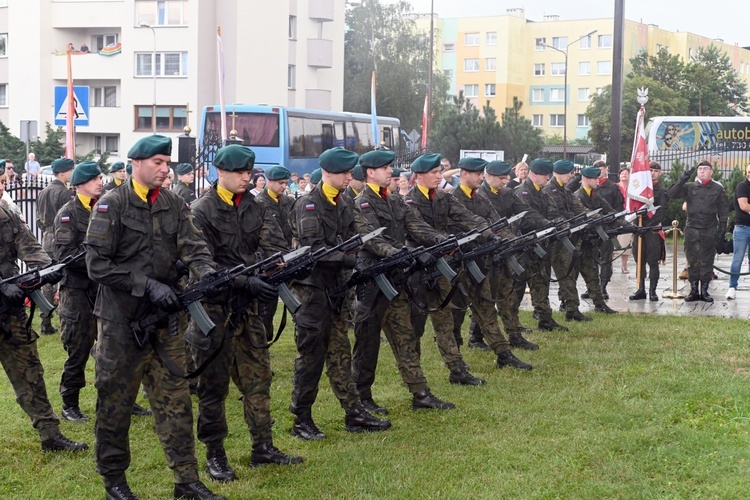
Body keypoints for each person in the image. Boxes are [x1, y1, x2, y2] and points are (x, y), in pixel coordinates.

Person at [84, 135, 224, 500]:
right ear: (136, 163)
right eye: (159, 162)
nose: (166, 169)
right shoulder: (111, 205)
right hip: (120, 324)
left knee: (177, 402)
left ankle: (186, 481)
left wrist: (206, 272)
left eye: (168, 163)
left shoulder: (174, 202)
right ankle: (114, 481)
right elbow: (96, 265)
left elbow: (194, 247)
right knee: (114, 404)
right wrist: (145, 285)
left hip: (165, 323)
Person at [189, 146, 301, 482]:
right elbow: (202, 265)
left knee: (258, 379)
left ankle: (262, 446)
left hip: (248, 311)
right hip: (215, 311)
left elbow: (272, 244)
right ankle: (215, 454)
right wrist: (245, 279)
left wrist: (280, 266)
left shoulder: (254, 205)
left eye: (249, 172)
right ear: (219, 171)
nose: (245, 178)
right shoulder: (201, 211)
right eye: (238, 172)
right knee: (213, 386)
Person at [288, 147, 391, 440]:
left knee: (340, 352)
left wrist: (383, 251)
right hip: (313, 292)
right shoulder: (308, 204)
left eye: (350, 172)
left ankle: (353, 411)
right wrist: (348, 258)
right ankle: (301, 419)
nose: (350, 177)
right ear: (328, 173)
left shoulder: (344, 202)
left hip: (336, 289)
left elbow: (360, 232)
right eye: (345, 173)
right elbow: (313, 250)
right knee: (310, 357)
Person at [352, 150, 461, 417]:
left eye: (390, 167)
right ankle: (362, 398)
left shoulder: (394, 200)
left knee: (405, 337)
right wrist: (404, 253)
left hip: (395, 281)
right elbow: (372, 240)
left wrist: (440, 241)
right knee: (367, 344)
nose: (391, 171)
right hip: (373, 283)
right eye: (386, 168)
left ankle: (420, 393)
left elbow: (416, 225)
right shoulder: (361, 203)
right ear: (370, 172)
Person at [0, 160, 88, 455]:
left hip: (8, 314)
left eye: (1, 181)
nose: (2, 186)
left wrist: (49, 268)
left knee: (30, 372)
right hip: (4, 295)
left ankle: (50, 435)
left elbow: (27, 244)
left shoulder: (6, 213)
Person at [443, 157, 534, 367]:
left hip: (479, 262)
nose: (480, 178)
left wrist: (514, 240)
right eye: (477, 174)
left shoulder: (480, 200)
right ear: (464, 174)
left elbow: (496, 224)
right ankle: (456, 362)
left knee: (486, 308)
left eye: (481, 174)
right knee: (454, 315)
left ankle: (504, 355)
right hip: (458, 264)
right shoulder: (451, 199)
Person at [468, 160, 548, 348]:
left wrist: (546, 223)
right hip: (484, 254)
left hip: (504, 250)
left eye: (506, 178)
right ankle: (475, 338)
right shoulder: (480, 196)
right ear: (488, 176)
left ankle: (514, 335)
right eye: (500, 178)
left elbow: (525, 212)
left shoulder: (507, 194)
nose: (505, 181)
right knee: (485, 298)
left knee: (508, 293)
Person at [53, 161, 103, 423]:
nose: (99, 182)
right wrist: (100, 262)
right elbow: (64, 255)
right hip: (78, 291)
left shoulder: (105, 208)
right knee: (79, 348)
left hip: (103, 290)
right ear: (79, 185)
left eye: (99, 178)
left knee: (113, 348)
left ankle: (116, 399)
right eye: (94, 179)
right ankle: (69, 403)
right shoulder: (68, 213)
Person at [514, 158, 568, 331]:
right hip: (523, 247)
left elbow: (553, 212)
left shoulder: (543, 193)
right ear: (534, 174)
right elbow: (526, 217)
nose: (548, 178)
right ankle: (513, 324)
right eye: (545, 175)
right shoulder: (522, 192)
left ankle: (545, 320)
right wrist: (548, 224)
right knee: (518, 287)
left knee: (542, 282)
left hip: (540, 245)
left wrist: (563, 224)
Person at [668, 161, 729, 302]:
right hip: (692, 228)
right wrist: (683, 178)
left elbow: (724, 211)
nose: (702, 171)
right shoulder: (689, 187)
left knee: (707, 260)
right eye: (700, 169)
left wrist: (721, 232)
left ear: (711, 172)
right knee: (693, 260)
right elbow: (671, 194)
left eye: (705, 169)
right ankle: (694, 290)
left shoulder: (718, 189)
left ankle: (704, 290)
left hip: (709, 228)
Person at [571, 166, 623, 315]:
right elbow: (586, 216)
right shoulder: (578, 196)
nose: (598, 181)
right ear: (586, 179)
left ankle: (599, 304)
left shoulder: (595, 195)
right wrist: (604, 220)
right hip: (577, 242)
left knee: (592, 273)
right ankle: (567, 304)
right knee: (572, 274)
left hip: (589, 242)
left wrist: (627, 224)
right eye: (595, 179)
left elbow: (610, 212)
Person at [255, 165, 295, 336]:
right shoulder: (258, 204)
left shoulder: (289, 202)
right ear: (269, 181)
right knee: (266, 308)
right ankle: (263, 341)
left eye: (286, 183)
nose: (284, 186)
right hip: (266, 261)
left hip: (288, 257)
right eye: (280, 183)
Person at [36, 157, 74, 336]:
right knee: (62, 277)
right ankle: (63, 318)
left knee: (46, 278)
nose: (72, 174)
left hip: (46, 237)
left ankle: (45, 320)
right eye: (70, 170)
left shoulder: (43, 192)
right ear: (62, 173)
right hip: (60, 237)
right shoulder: (64, 193)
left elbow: (38, 219)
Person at [629, 161, 669, 301]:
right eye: (650, 170)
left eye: (656, 171)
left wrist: (649, 225)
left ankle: (652, 291)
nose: (652, 173)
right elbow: (632, 208)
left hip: (652, 230)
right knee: (639, 260)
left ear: (660, 173)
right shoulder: (638, 189)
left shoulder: (662, 191)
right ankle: (641, 289)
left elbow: (662, 211)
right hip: (639, 229)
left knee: (652, 261)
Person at [727, 164, 750, 300]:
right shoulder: (742, 186)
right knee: (737, 259)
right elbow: (744, 206)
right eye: (748, 172)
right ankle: (732, 286)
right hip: (742, 227)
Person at [617, 167, 631, 273]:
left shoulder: (632, 188)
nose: (624, 175)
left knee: (626, 242)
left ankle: (624, 265)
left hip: (629, 215)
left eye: (626, 173)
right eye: (622, 173)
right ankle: (610, 266)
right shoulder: (615, 187)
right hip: (617, 216)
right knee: (613, 241)